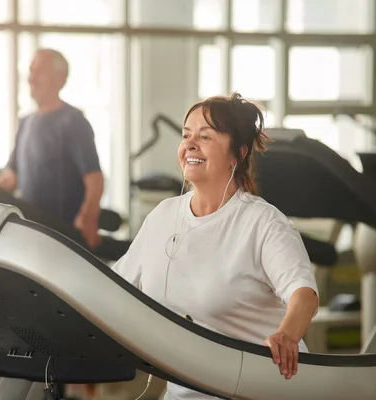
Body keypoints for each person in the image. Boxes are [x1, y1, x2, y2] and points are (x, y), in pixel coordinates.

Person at [111, 93, 319, 400]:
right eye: (186, 135)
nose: (190, 144)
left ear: (237, 153)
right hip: (186, 393)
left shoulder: (262, 223)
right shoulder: (163, 217)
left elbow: (304, 294)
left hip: (262, 390)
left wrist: (286, 335)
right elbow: (115, 288)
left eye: (205, 136)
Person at [0, 48, 104, 250]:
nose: (31, 79)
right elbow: (11, 177)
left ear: (60, 79)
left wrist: (88, 217)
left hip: (62, 237)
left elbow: (95, 179)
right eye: (31, 71)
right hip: (30, 234)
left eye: (39, 72)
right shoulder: (26, 122)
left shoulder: (73, 122)